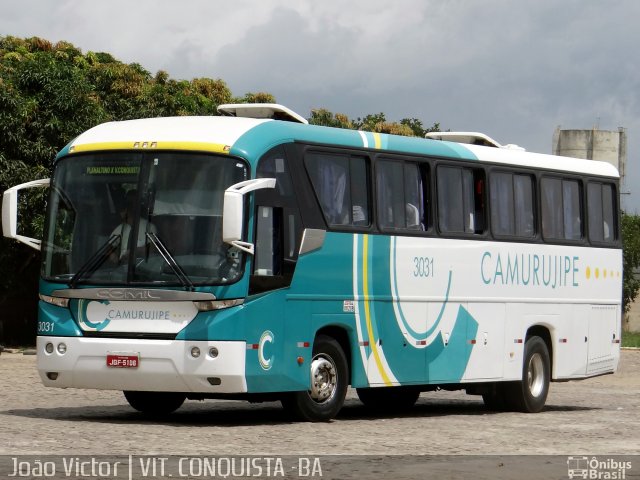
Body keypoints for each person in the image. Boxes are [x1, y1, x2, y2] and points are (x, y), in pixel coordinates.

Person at [110, 189, 156, 261]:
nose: (121, 214)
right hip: (121, 268)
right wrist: (113, 256)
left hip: (140, 267)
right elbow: (109, 248)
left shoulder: (149, 227)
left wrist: (135, 251)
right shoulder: (120, 229)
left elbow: (153, 248)